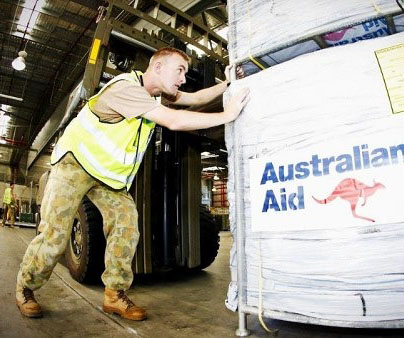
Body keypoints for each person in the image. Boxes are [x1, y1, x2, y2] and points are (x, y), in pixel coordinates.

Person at [15, 47, 250, 320]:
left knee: (127, 227)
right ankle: (25, 287)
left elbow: (195, 97)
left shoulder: (156, 94)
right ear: (158, 67)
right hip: (75, 163)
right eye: (180, 71)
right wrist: (227, 115)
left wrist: (229, 84)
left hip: (108, 177)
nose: (183, 79)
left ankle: (114, 294)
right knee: (55, 236)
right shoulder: (125, 88)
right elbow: (173, 121)